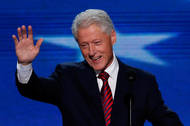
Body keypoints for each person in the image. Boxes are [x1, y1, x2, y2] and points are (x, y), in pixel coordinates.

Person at [12, 9, 183, 126]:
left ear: (113, 37)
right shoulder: (68, 76)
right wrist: (25, 64)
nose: (92, 52)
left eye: (97, 42)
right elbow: (33, 89)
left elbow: (166, 121)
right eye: (84, 45)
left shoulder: (142, 81)